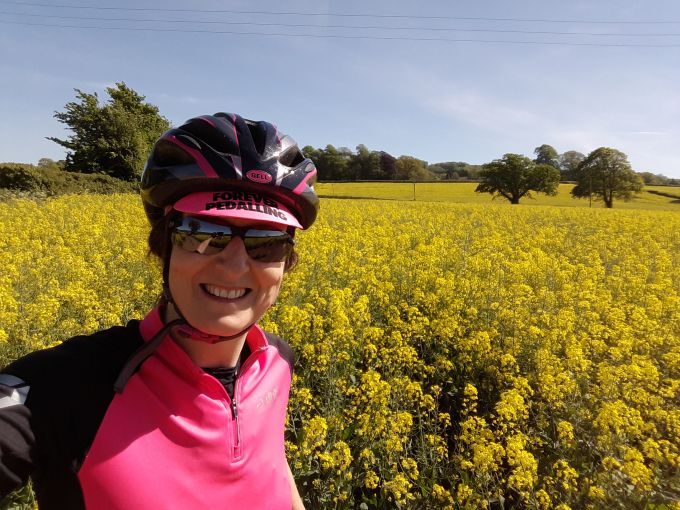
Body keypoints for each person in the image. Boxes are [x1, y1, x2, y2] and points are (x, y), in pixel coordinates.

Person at [0, 112, 318, 509]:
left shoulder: (277, 361)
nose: (236, 267)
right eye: (205, 234)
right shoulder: (65, 388)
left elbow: (272, 460)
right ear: (162, 246)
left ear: (286, 262)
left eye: (266, 242)